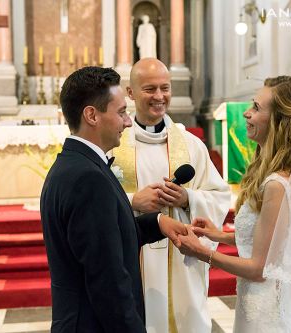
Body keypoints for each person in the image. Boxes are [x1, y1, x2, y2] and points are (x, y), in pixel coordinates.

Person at [178, 76, 291, 333]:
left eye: (256, 107)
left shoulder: (278, 184)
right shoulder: (279, 174)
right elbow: (271, 241)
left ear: (279, 121)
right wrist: (217, 235)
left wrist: (200, 251)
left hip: (267, 316)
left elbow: (259, 269)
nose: (246, 113)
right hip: (260, 305)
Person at [40, 66, 188, 332]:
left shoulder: (73, 164)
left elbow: (108, 238)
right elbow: (107, 279)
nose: (128, 122)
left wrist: (157, 224)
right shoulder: (88, 179)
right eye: (121, 112)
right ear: (92, 115)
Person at [111, 58, 231, 333]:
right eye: (150, 89)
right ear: (130, 93)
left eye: (165, 88)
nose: (159, 96)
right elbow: (96, 201)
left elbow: (220, 196)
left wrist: (187, 199)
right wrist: (132, 201)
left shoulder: (190, 145)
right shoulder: (115, 144)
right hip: (134, 255)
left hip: (181, 259)